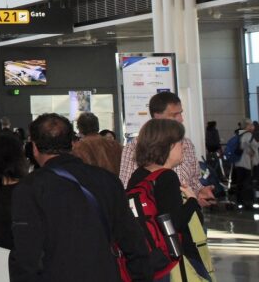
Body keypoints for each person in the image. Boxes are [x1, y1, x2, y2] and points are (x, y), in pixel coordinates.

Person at [10, 113, 152, 282]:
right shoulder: (107, 181)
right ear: (72, 143)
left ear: (33, 147)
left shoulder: (30, 188)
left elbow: (26, 253)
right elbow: (133, 241)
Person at [127, 119, 210, 281]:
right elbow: (174, 223)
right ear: (167, 146)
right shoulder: (167, 177)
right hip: (172, 260)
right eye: (180, 142)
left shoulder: (138, 176)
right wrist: (192, 200)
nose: (184, 146)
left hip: (149, 257)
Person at [120, 92, 215, 207]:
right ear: (157, 116)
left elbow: (193, 180)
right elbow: (128, 189)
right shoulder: (135, 146)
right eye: (174, 115)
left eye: (180, 113)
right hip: (158, 218)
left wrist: (200, 192)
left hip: (188, 215)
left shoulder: (187, 144)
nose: (181, 119)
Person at [231, 119, 259, 208]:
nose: (253, 126)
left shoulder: (240, 133)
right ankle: (247, 201)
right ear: (247, 126)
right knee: (247, 182)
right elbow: (244, 145)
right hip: (247, 163)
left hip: (239, 162)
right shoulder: (248, 134)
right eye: (251, 125)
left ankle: (240, 201)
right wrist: (250, 151)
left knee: (240, 182)